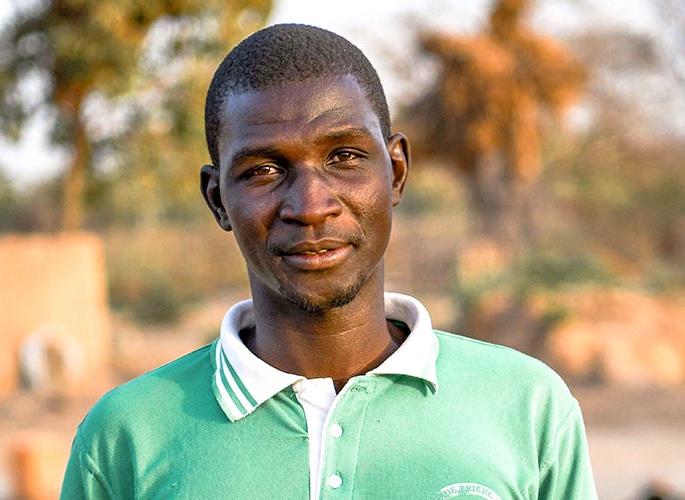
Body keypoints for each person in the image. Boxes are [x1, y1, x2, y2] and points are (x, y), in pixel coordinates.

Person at [60, 23, 597, 499]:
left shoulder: (527, 408)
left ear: (397, 173)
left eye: (343, 157)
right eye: (264, 170)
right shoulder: (125, 436)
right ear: (218, 199)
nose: (311, 206)